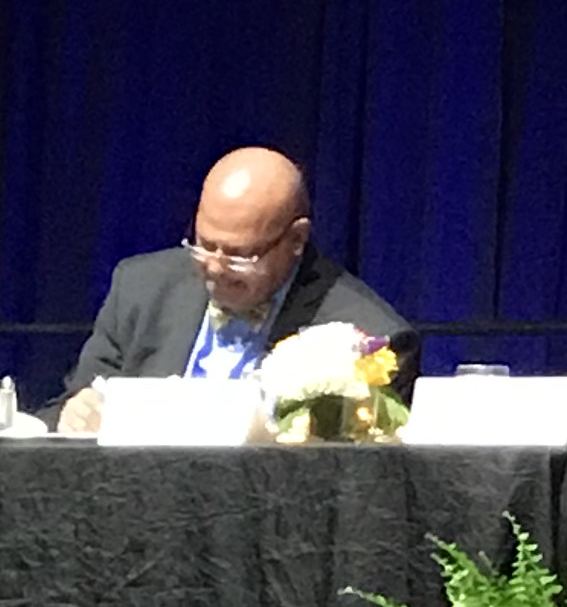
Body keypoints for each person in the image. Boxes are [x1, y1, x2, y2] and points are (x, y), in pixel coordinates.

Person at [52, 146, 418, 432]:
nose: (214, 268)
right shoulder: (141, 289)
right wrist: (76, 412)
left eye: (239, 255)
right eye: (204, 245)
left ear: (296, 239)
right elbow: (68, 407)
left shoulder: (370, 341)